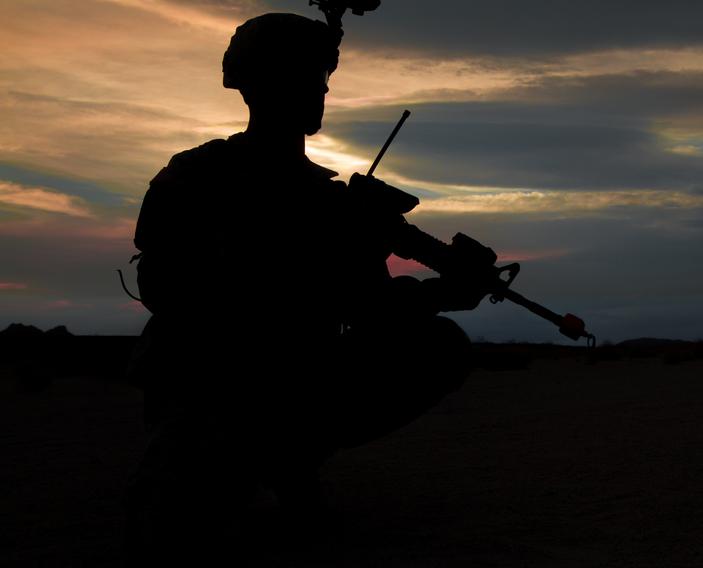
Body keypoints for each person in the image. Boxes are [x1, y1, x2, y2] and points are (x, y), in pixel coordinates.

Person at [123, 12, 484, 566]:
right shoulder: (206, 178)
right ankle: (277, 460)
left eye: (321, 79)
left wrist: (424, 283)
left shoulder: (235, 179)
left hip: (248, 380)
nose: (320, 91)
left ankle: (289, 463)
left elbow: (364, 306)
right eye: (308, 78)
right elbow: (172, 286)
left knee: (429, 345)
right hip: (214, 389)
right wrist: (429, 293)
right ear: (263, 85)